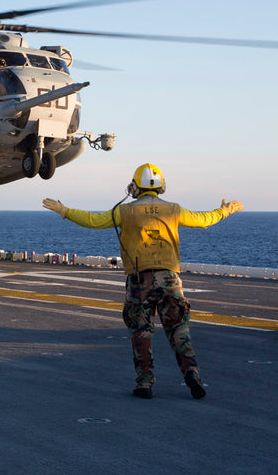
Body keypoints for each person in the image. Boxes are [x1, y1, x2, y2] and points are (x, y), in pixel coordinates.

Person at [43, 163, 243, 400]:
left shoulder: (125, 211)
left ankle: (145, 383)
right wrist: (225, 210)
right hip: (170, 279)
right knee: (179, 330)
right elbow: (204, 219)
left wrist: (65, 211)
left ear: (134, 187)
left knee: (141, 332)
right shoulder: (174, 210)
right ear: (162, 187)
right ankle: (192, 374)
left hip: (140, 281)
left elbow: (93, 220)